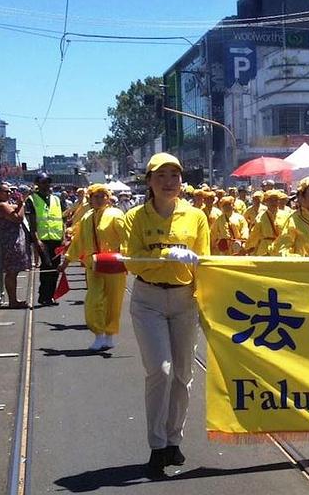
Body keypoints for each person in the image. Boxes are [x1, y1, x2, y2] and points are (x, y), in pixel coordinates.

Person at [122, 152, 208, 477]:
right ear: (149, 182)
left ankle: (174, 440)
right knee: (160, 369)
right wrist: (167, 257)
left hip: (185, 299)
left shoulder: (196, 216)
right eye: (161, 176)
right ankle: (157, 445)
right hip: (148, 300)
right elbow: (132, 261)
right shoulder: (134, 217)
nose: (169, 182)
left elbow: (205, 261)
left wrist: (195, 270)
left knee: (184, 374)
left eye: (175, 176)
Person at [61, 184, 127, 351]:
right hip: (93, 264)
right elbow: (78, 242)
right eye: (94, 197)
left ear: (107, 198)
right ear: (89, 198)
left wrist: (126, 258)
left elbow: (127, 237)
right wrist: (67, 260)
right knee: (93, 299)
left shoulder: (116, 215)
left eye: (101, 196)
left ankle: (109, 334)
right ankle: (98, 334)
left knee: (113, 301)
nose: (98, 200)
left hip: (114, 264)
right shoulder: (86, 217)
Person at [25, 172, 65, 306]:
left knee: (55, 267)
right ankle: (43, 296)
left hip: (56, 238)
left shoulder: (57, 199)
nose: (46, 184)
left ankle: (51, 295)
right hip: (42, 239)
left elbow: (62, 219)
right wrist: (36, 240)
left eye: (48, 181)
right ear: (37, 184)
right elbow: (31, 223)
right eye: (43, 182)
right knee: (46, 265)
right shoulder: (31, 199)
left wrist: (64, 237)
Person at [0, 182, 30, 309]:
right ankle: (13, 301)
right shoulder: (1, 205)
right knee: (11, 272)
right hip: (9, 242)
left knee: (14, 271)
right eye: (6, 191)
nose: (9, 193)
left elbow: (14, 208)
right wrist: (22, 204)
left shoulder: (5, 204)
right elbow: (18, 218)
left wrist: (19, 204)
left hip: (13, 240)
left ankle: (14, 299)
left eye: (9, 191)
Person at [246, 189, 288, 256]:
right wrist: (246, 248)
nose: (273, 202)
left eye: (276, 200)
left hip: (281, 249)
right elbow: (254, 235)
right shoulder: (260, 216)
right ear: (266, 202)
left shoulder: (286, 215)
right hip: (265, 250)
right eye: (270, 200)